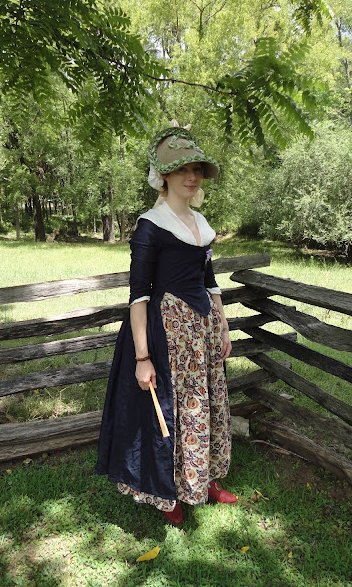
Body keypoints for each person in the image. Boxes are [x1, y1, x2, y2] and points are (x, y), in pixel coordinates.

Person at [95, 123, 237, 525]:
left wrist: (223, 325)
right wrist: (142, 358)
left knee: (204, 403)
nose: (192, 177)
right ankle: (168, 490)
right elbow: (138, 296)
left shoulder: (200, 223)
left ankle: (204, 478)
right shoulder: (150, 226)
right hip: (167, 333)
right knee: (172, 411)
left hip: (202, 330)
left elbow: (209, 281)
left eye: (196, 169)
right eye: (182, 170)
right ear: (164, 176)